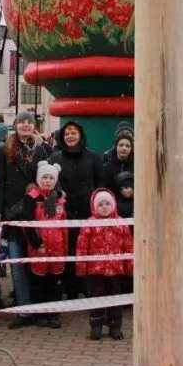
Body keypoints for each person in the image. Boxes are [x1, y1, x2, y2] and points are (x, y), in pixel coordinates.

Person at [0, 111, 50, 328]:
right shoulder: (3, 149)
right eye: (22, 122)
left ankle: (36, 308)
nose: (26, 125)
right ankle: (24, 310)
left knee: (35, 263)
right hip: (13, 213)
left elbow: (48, 176)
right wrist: (1, 210)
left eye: (30, 122)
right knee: (17, 264)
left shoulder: (40, 149)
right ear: (15, 125)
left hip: (35, 213)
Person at [48, 120, 103, 298]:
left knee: (88, 248)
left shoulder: (93, 157)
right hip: (65, 212)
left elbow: (100, 181)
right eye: (66, 134)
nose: (70, 136)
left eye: (73, 133)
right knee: (68, 248)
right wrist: (58, 192)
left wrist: (95, 200)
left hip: (88, 211)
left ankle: (88, 287)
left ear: (80, 136)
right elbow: (51, 181)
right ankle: (70, 288)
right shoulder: (55, 158)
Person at [76, 188, 134, 340]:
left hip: (116, 270)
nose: (104, 207)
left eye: (107, 203)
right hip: (96, 270)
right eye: (100, 204)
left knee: (115, 299)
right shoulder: (89, 224)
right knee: (97, 298)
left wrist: (130, 266)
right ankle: (96, 326)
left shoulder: (121, 223)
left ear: (113, 205)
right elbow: (82, 247)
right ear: (95, 206)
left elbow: (129, 246)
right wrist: (81, 268)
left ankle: (115, 326)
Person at [23, 162, 67, 329]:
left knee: (55, 282)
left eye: (51, 178)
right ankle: (40, 313)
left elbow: (64, 226)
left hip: (57, 248)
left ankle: (54, 313)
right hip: (39, 248)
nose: (48, 181)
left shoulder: (61, 199)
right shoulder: (32, 197)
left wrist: (64, 247)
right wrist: (37, 243)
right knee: (39, 282)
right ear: (38, 179)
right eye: (44, 177)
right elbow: (27, 222)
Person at [101, 125, 134, 197]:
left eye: (127, 146)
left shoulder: (136, 165)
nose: (124, 148)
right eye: (121, 145)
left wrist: (132, 192)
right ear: (116, 147)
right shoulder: (107, 167)